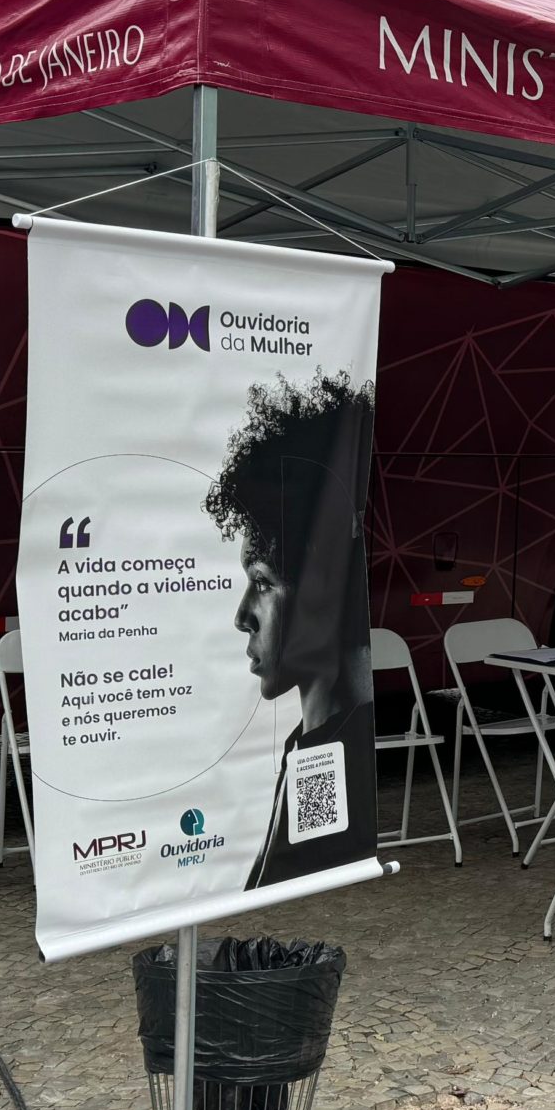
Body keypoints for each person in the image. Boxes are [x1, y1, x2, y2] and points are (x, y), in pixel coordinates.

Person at [207, 370, 381, 890]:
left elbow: (294, 874)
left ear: (324, 585)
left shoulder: (333, 750)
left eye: (261, 581)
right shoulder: (320, 742)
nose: (242, 616)